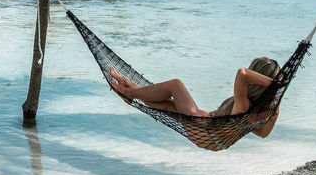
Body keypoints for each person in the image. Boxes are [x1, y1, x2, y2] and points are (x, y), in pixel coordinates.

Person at [108, 57, 281, 138]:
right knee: (163, 104)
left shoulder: (244, 104)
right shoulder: (254, 108)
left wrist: (273, 84)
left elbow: (242, 73)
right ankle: (128, 85)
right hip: (204, 126)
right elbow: (262, 134)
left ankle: (128, 93)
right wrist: (275, 113)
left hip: (202, 129)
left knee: (175, 85)